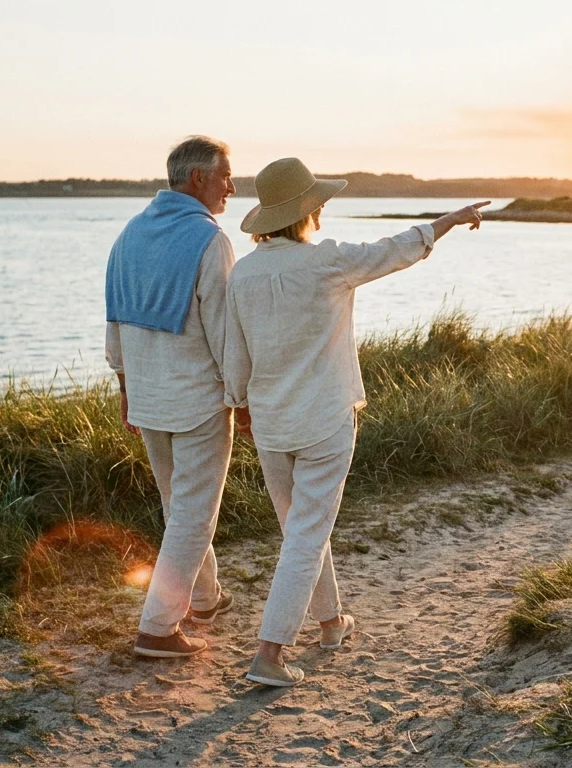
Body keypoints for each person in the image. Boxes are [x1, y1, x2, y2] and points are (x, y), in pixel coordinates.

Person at [224, 157, 488, 686]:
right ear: (306, 211)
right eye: (317, 203)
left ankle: (330, 623)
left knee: (300, 530)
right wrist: (448, 221)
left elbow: (236, 356)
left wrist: (241, 406)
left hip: (272, 425)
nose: (322, 209)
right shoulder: (326, 262)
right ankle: (269, 654)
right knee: (304, 535)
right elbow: (392, 251)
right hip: (323, 420)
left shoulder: (243, 273)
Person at [105, 135, 238, 658]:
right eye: (225, 174)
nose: (232, 185)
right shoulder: (210, 240)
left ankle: (205, 598)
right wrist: (241, 397)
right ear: (197, 179)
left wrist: (124, 387)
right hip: (197, 400)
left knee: (176, 506)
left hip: (148, 396)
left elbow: (115, 322)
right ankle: (158, 628)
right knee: (192, 515)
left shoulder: (129, 234)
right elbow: (226, 332)